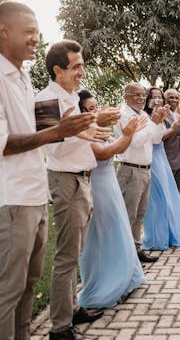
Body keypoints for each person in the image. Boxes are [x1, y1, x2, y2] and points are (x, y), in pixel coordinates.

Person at [0, 1, 95, 340]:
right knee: (8, 291)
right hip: (12, 197)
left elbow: (41, 139)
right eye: (29, 32)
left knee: (27, 285)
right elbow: (5, 143)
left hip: (36, 192)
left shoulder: (22, 79)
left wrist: (71, 129)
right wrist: (60, 131)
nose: (35, 39)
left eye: (37, 33)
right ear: (3, 31)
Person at [38, 39, 117, 339]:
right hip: (66, 181)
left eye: (82, 65)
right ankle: (60, 328)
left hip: (83, 179)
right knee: (66, 256)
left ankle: (73, 308)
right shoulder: (47, 98)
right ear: (57, 69)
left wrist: (94, 125)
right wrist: (92, 124)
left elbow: (84, 133)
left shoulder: (71, 98)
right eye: (76, 67)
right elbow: (51, 144)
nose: (82, 71)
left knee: (77, 251)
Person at [77, 90, 146, 309]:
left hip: (110, 184)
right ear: (80, 112)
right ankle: (105, 283)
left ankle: (125, 277)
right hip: (97, 187)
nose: (96, 112)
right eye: (90, 109)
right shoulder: (83, 132)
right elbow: (103, 154)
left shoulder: (100, 130)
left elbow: (118, 149)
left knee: (118, 230)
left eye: (96, 107)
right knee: (103, 235)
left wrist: (127, 134)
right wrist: (127, 134)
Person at [115, 82, 169, 263]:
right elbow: (135, 141)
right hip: (130, 169)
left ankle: (136, 250)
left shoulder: (144, 115)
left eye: (142, 95)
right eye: (136, 95)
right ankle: (125, 255)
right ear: (126, 96)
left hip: (146, 170)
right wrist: (153, 123)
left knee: (140, 214)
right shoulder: (123, 115)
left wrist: (158, 122)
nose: (140, 99)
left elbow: (155, 138)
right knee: (129, 215)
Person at [142, 87, 180, 250]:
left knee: (170, 198)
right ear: (148, 99)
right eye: (154, 97)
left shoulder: (168, 114)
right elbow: (159, 138)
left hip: (167, 159)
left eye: (159, 97)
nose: (157, 100)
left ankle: (171, 232)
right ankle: (158, 236)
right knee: (158, 200)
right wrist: (175, 128)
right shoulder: (148, 117)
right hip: (156, 157)